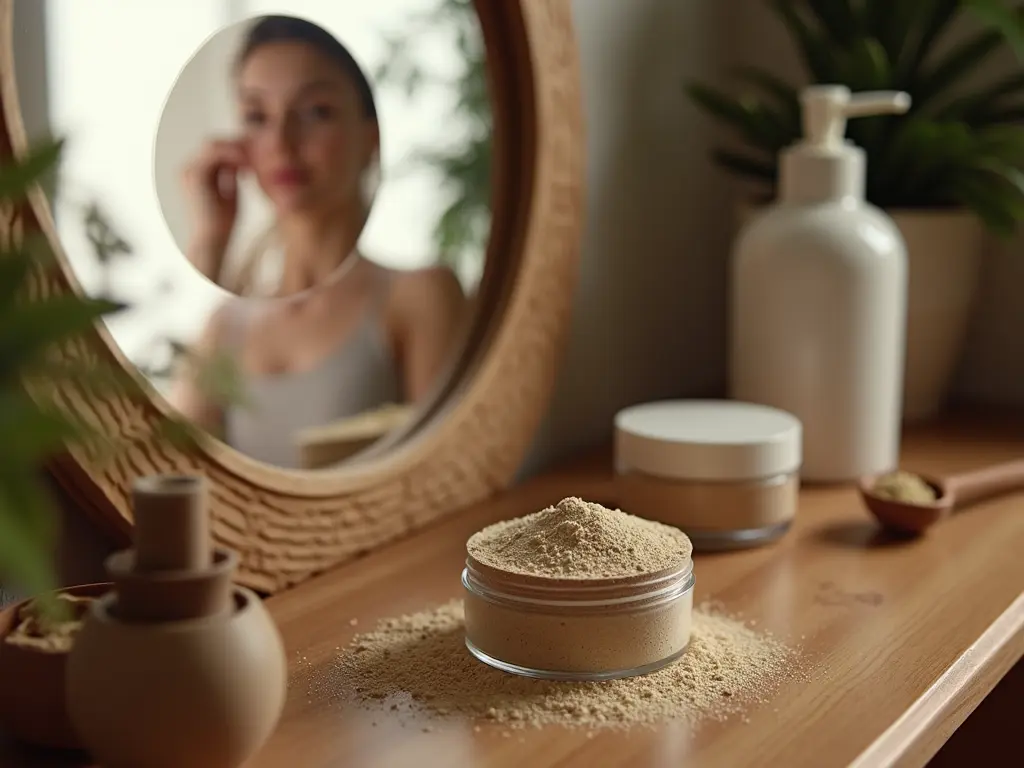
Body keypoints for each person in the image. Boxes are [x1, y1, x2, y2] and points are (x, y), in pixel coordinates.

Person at [169, 15, 468, 468]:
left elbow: (444, 476)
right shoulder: (225, 326)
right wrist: (210, 241)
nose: (282, 141)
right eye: (257, 117)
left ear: (371, 137)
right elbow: (165, 472)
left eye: (317, 111)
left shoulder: (419, 296)